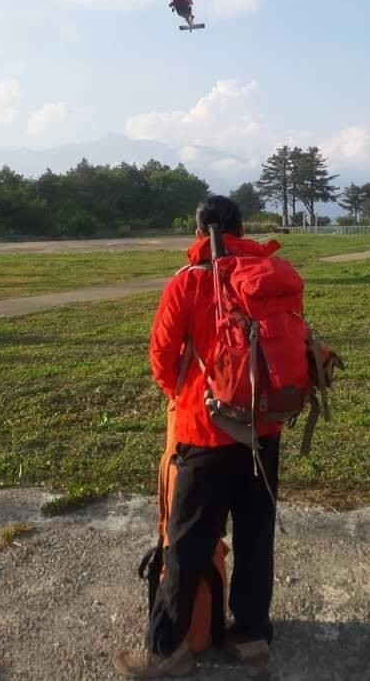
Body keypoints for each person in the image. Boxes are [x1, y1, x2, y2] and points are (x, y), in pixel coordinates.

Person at [113, 195, 296, 679]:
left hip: (202, 433)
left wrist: (184, 394)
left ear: (199, 233)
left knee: (187, 543)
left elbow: (161, 357)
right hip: (263, 429)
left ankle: (166, 649)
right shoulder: (273, 276)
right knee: (255, 536)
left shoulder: (187, 282)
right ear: (241, 230)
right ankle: (252, 637)